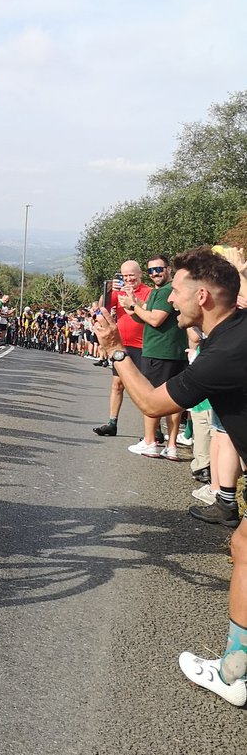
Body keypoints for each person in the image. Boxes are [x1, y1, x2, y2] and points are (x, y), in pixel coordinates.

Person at [93, 247, 247, 707]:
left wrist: (114, 350)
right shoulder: (233, 334)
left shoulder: (224, 355)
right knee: (241, 546)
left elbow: (154, 405)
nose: (169, 300)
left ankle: (234, 674)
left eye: (175, 291)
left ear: (202, 296)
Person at [121, 255, 188, 460]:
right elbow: (145, 314)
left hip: (159, 353)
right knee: (175, 400)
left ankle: (150, 442)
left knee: (151, 398)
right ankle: (172, 445)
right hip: (174, 352)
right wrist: (134, 303)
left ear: (168, 269)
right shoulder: (164, 292)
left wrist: (134, 306)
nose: (155, 274)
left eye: (159, 269)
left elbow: (155, 319)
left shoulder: (166, 291)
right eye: (151, 271)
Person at [93, 260, 152, 437]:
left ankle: (152, 429)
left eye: (131, 275)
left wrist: (133, 299)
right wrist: (109, 289)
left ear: (140, 274)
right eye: (124, 276)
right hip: (122, 345)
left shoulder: (148, 292)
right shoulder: (118, 292)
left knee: (146, 387)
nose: (128, 279)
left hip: (142, 344)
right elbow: (103, 306)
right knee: (117, 385)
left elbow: (150, 310)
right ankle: (112, 422)